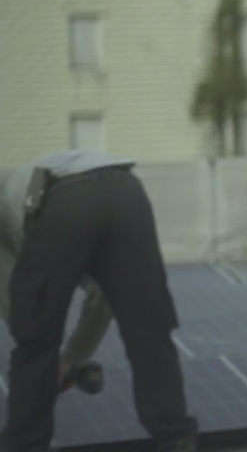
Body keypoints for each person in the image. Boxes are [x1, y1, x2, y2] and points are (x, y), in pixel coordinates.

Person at [0, 150, 198, 452]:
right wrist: (72, 360)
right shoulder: (17, 183)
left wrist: (59, 363)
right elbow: (102, 296)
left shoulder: (12, 216)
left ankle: (22, 446)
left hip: (61, 198)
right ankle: (177, 440)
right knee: (150, 331)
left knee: (35, 344)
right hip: (126, 189)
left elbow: (23, 316)